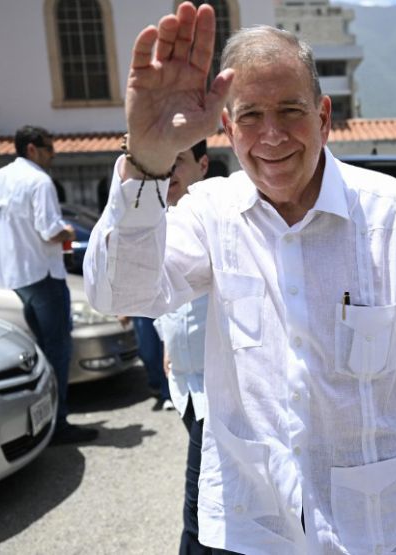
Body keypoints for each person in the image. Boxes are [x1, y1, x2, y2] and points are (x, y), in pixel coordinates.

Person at [83, 4, 396, 554]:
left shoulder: (391, 213)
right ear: (226, 126)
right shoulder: (210, 211)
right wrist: (145, 163)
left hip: (375, 531)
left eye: (290, 110)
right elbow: (122, 293)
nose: (273, 134)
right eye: (251, 115)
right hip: (253, 528)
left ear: (324, 116)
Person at [0, 125, 98, 445]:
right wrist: (69, 231)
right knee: (57, 351)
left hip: (16, 277)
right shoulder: (40, 181)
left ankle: (45, 417)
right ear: (32, 149)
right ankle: (58, 422)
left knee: (41, 349)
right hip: (43, 274)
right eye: (49, 148)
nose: (53, 153)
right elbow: (50, 231)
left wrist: (7, 243)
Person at [151, 139, 213, 553]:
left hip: (219, 390)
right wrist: (166, 345)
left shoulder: (219, 222)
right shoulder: (158, 223)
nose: (167, 172)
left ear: (202, 165)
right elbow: (163, 302)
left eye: (178, 162)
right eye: (160, 163)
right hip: (187, 387)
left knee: (198, 508)